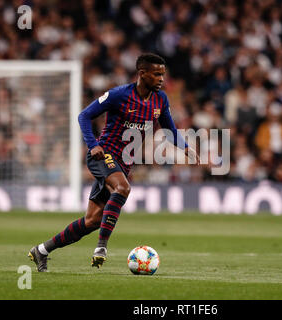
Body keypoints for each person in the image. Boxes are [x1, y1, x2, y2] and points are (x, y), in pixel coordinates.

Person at [28, 53, 199, 272]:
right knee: (123, 187)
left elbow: (170, 130)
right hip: (103, 155)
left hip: (123, 164)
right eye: (156, 74)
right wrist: (93, 145)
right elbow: (84, 116)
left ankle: (41, 250)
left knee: (92, 220)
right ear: (142, 73)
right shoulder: (119, 95)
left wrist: (186, 148)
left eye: (163, 75)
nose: (161, 79)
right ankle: (101, 247)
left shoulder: (160, 100)